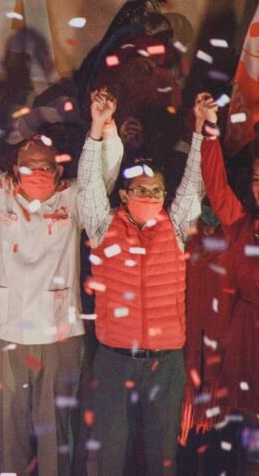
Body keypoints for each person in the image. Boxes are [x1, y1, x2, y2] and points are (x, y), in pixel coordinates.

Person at [0, 77, 124, 475]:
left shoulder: (74, 198)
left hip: (58, 334)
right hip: (5, 330)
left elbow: (105, 175)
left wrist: (105, 125)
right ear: (15, 168)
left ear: (58, 170)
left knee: (55, 435)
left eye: (45, 167)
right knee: (8, 431)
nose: (37, 173)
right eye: (29, 167)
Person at [79, 91, 206, 476]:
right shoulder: (103, 226)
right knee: (111, 455)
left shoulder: (176, 227)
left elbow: (194, 184)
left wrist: (200, 129)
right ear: (124, 194)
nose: (149, 197)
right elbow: (87, 187)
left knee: (161, 456)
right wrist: (96, 127)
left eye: (156, 191)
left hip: (165, 363)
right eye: (140, 190)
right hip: (114, 359)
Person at [198, 95, 258, 416]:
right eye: (258, 179)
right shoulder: (241, 224)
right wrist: (210, 127)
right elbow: (217, 187)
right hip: (246, 338)